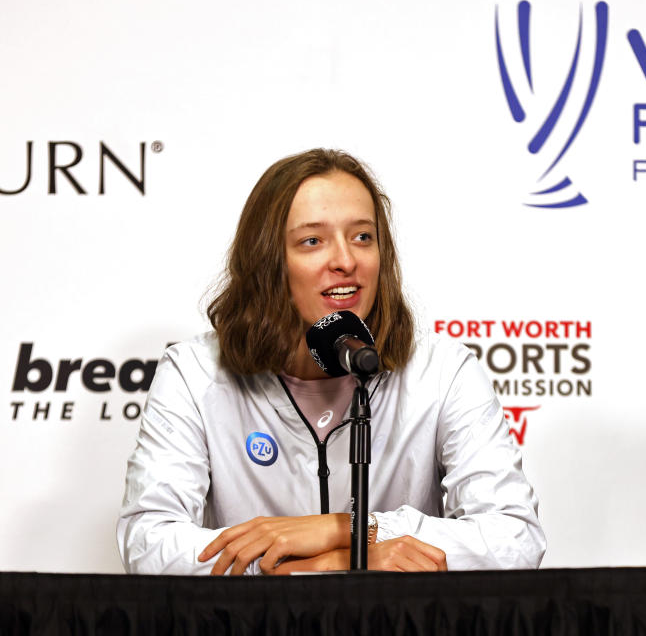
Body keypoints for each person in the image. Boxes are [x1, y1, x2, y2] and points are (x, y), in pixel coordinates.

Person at [117, 149, 545, 574]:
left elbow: (515, 538)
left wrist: (353, 532)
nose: (346, 261)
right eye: (312, 241)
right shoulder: (194, 374)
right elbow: (148, 542)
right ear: (268, 263)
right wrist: (305, 570)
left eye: (363, 237)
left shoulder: (442, 370)